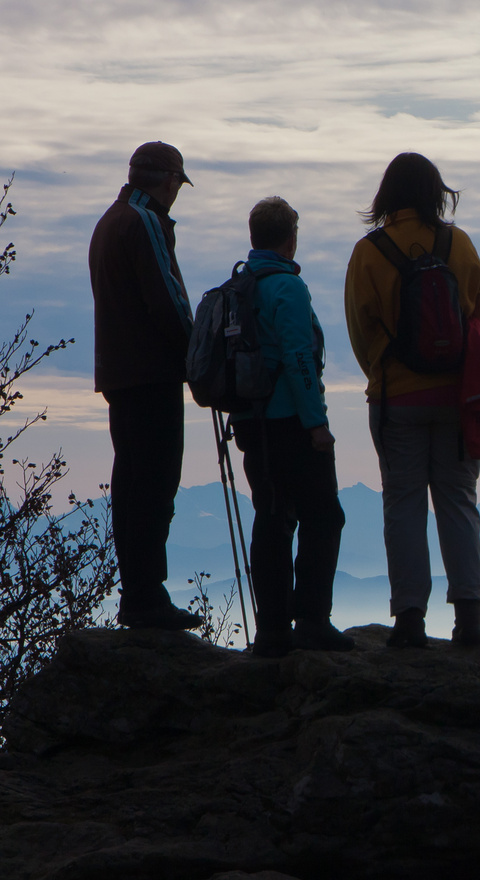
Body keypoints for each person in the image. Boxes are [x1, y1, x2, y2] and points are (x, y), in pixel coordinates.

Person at [344, 153, 480, 648]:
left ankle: (409, 619)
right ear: (435, 192)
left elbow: (360, 333)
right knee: (458, 503)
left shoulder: (369, 253)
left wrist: (385, 375)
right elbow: (476, 319)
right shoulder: (460, 245)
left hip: (395, 400)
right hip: (455, 397)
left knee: (403, 506)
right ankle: (470, 617)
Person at [87, 141, 204, 630]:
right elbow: (168, 300)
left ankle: (136, 592)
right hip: (151, 372)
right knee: (156, 484)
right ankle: (147, 595)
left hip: (119, 373)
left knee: (131, 483)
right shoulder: (145, 222)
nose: (177, 192)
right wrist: (198, 356)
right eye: (178, 183)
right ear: (166, 180)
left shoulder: (110, 221)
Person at [232, 197, 351, 658]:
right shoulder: (287, 287)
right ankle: (314, 622)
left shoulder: (239, 286)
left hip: (248, 422)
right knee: (324, 516)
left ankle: (274, 629)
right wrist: (316, 425)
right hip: (289, 422)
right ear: (290, 239)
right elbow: (301, 358)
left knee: (272, 515)